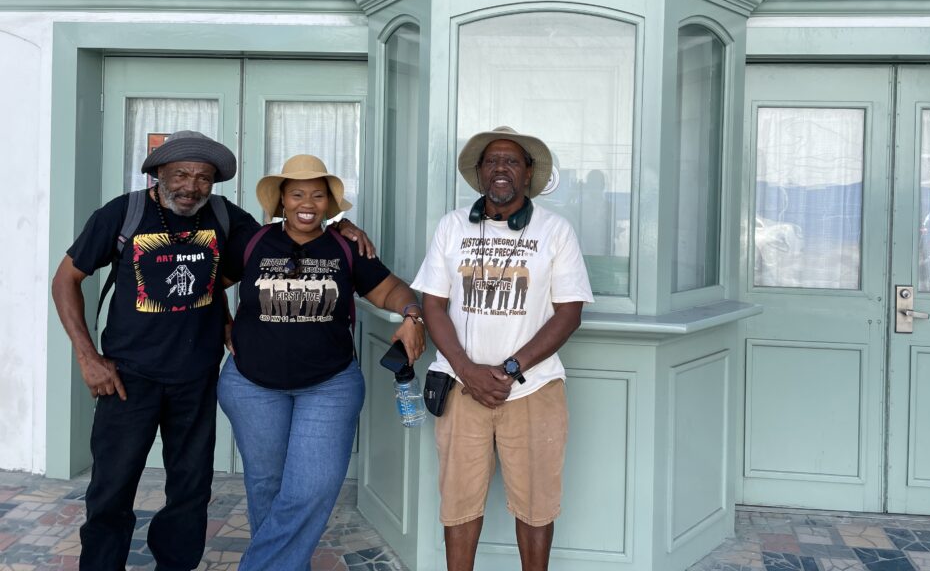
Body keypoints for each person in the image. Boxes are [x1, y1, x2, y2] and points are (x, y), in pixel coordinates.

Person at [50, 131, 373, 571]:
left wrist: (341, 229)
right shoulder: (123, 214)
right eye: (181, 173)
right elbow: (65, 279)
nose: (192, 185)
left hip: (197, 376)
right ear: (158, 173)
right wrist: (88, 358)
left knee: (189, 492)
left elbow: (287, 236)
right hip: (127, 377)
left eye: (203, 177)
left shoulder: (224, 216)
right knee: (112, 488)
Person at [217, 154, 426, 571]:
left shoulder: (347, 247)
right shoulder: (253, 242)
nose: (306, 202)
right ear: (281, 201)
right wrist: (224, 323)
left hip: (328, 386)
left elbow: (392, 290)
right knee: (266, 486)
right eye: (297, 194)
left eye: (317, 194)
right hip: (251, 385)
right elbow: (209, 285)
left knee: (310, 489)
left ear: (329, 204)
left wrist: (412, 316)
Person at [412, 126, 594, 571]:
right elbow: (432, 305)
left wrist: (510, 368)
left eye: (512, 160)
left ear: (528, 173)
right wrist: (467, 369)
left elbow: (569, 313)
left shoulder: (556, 230)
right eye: (492, 160)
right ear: (478, 173)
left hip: (534, 390)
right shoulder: (452, 226)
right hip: (461, 386)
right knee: (458, 503)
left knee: (537, 505)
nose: (501, 168)